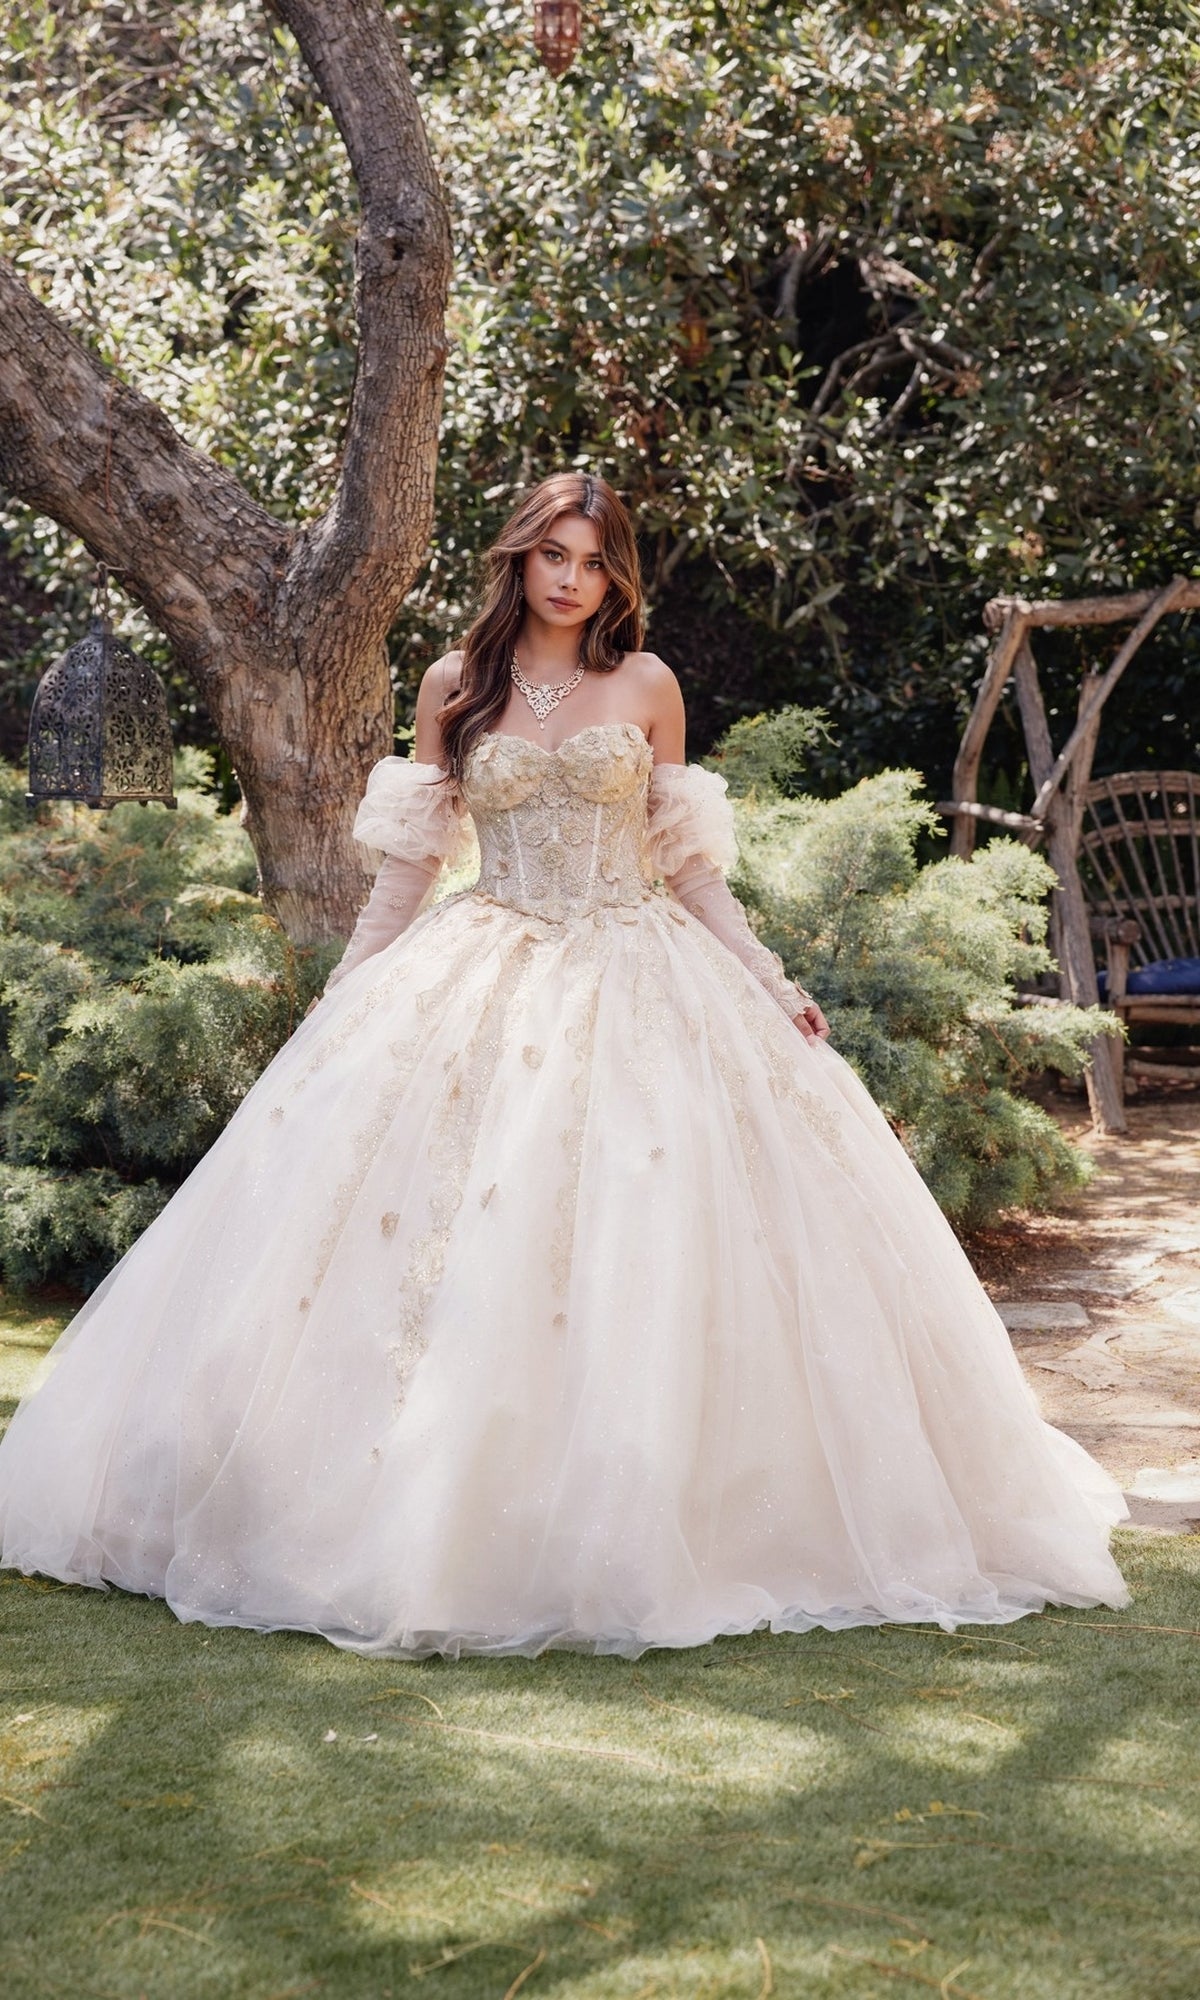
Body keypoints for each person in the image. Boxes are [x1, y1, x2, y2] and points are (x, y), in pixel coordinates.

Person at [0, 472, 1128, 1658]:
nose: (566, 576)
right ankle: (405, 1501)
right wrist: (344, 999)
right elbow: (406, 870)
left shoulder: (647, 685)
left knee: (632, 1230)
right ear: (519, 561)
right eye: (549, 553)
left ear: (614, 577)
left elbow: (688, 868)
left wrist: (767, 972)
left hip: (634, 971)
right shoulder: (455, 685)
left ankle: (638, 1508)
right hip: (480, 959)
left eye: (588, 559)